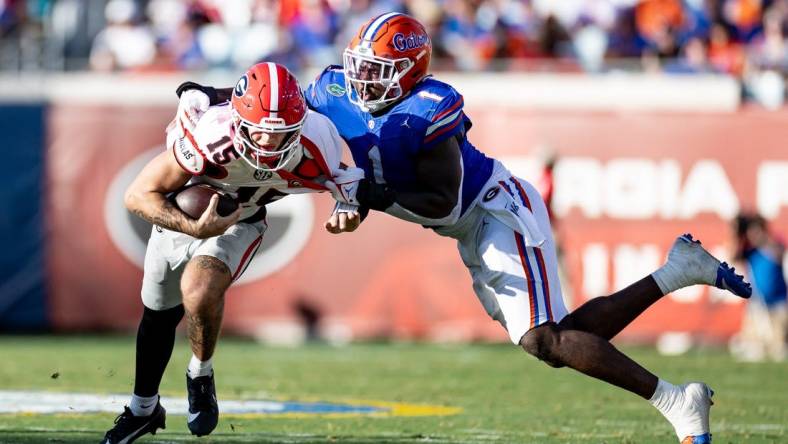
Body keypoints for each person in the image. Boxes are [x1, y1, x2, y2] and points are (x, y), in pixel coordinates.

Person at [179, 13, 752, 443]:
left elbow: (443, 200)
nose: (361, 81)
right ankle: (678, 271)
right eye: (359, 67)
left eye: (377, 72)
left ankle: (678, 399)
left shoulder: (430, 108)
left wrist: (363, 193)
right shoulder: (332, 89)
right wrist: (212, 94)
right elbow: (278, 109)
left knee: (545, 340)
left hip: (491, 210)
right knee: (557, 337)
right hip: (463, 225)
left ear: (409, 74)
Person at [101, 62, 362, 444]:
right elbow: (137, 195)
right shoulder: (209, 135)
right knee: (158, 315)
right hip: (183, 216)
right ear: (237, 120)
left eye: (282, 134)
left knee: (199, 289)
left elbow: (348, 184)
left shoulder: (317, 140)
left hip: (243, 219)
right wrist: (192, 227)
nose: (270, 144)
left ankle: (200, 373)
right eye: (260, 131)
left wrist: (348, 209)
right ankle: (143, 410)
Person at [729, 212, 787, 362]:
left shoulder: (774, 245)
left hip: (778, 303)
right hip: (757, 304)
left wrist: (762, 239)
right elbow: (733, 257)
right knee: (753, 344)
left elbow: (779, 254)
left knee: (778, 348)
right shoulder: (749, 251)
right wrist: (736, 233)